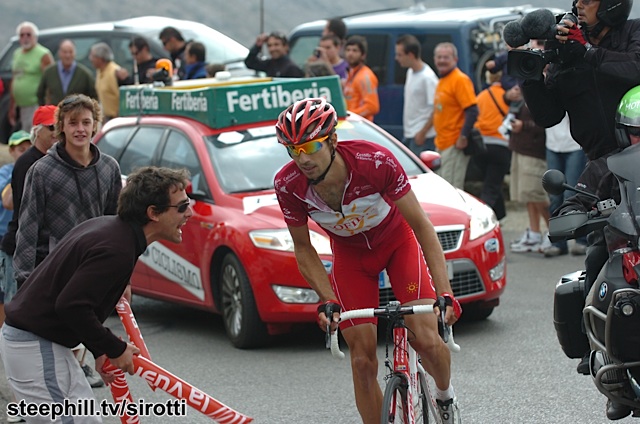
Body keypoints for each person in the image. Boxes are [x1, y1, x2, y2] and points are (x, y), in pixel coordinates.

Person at [273, 98, 462, 424]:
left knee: (427, 340)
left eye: (310, 146)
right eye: (293, 150)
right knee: (361, 362)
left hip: (397, 244)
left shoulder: (374, 161)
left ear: (332, 140)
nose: (302, 158)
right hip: (351, 258)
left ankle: (444, 396)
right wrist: (327, 299)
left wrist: (445, 292)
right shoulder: (288, 185)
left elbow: (422, 226)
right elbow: (303, 247)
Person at [0, 166, 192, 421]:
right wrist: (114, 348)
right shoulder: (116, 248)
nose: (189, 213)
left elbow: (75, 301)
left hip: (44, 343)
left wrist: (100, 350)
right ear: (153, 213)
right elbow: (71, 306)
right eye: (182, 207)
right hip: (35, 345)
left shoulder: (114, 232)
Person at [554, 85, 640, 420]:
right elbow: (577, 198)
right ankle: (601, 355)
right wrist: (573, 212)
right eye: (636, 133)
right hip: (627, 245)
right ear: (622, 133)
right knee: (594, 257)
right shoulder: (606, 166)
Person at [521, 0, 640, 162]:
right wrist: (531, 75)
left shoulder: (634, 30)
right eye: (577, 0)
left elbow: (635, 67)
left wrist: (587, 51)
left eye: (587, 1)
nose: (578, 5)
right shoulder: (569, 45)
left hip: (636, 152)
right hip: (597, 159)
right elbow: (548, 116)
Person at [0, 106, 57, 328]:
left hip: (45, 249)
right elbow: (26, 211)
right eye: (50, 127)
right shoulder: (28, 162)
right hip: (20, 248)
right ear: (37, 130)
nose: (56, 132)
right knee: (16, 310)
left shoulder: (55, 159)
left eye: (59, 127)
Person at [432, 42, 478, 190]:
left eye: (446, 57)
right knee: (441, 187)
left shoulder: (460, 79)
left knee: (451, 188)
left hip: (454, 144)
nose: (442, 60)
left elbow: (472, 110)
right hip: (441, 143)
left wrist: (463, 136)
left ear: (455, 59)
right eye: (439, 57)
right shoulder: (443, 80)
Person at [473, 70, 516, 221]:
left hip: (481, 145)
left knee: (491, 181)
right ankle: (483, 218)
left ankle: (500, 215)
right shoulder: (508, 95)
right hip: (501, 145)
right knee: (491, 185)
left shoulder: (481, 96)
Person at [508, 100, 550, 253]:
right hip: (520, 147)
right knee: (527, 195)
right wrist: (508, 96)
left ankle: (554, 232)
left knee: (536, 193)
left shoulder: (545, 93)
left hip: (535, 152)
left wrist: (524, 125)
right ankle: (534, 233)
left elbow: (547, 124)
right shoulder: (524, 92)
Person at [543, 112, 587, 257]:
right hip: (552, 144)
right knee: (554, 195)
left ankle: (581, 239)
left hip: (574, 144)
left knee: (572, 193)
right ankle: (558, 242)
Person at [394, 34, 439, 155]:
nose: (397, 58)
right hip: (409, 134)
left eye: (399, 55)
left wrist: (423, 133)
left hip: (422, 137)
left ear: (411, 55)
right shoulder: (410, 72)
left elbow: (437, 109)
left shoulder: (428, 78)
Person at [8, 22, 54, 132]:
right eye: (22, 35)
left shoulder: (43, 54)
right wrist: (12, 106)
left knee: (34, 134)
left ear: (35, 37)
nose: (25, 38)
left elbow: (51, 81)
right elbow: (15, 78)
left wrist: (47, 106)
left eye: (28, 34)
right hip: (21, 105)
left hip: (35, 104)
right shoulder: (17, 54)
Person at [37, 39, 97, 106]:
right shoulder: (49, 72)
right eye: (65, 52)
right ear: (59, 53)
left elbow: (94, 96)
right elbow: (40, 93)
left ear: (75, 53)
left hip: (76, 111)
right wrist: (45, 108)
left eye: (70, 52)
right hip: (55, 111)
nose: (67, 55)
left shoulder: (85, 74)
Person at [343, 35, 380, 122]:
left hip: (359, 125)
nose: (350, 54)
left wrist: (349, 115)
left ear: (363, 55)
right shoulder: (351, 73)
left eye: (355, 50)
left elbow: (372, 107)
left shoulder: (365, 76)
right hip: (352, 124)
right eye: (348, 50)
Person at [89, 42, 125, 121]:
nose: (90, 59)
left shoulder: (114, 72)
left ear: (100, 58)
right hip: (107, 117)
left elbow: (123, 98)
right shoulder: (100, 71)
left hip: (117, 118)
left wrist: (117, 117)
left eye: (93, 56)